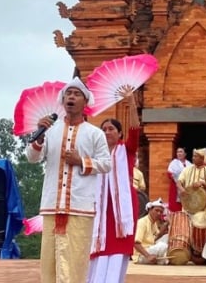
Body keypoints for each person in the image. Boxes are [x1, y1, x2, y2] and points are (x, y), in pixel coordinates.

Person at [25, 77, 111, 283]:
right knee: (49, 263)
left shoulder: (95, 134)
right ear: (62, 100)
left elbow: (106, 164)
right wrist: (38, 138)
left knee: (75, 261)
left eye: (76, 94)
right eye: (68, 94)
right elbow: (32, 157)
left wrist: (80, 161)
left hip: (80, 207)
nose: (71, 97)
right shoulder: (49, 130)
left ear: (85, 101)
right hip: (52, 205)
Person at [88, 87, 141, 283]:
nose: (107, 132)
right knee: (99, 247)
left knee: (118, 251)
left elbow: (135, 129)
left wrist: (131, 102)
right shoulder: (94, 155)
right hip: (100, 208)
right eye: (104, 129)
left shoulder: (126, 150)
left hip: (123, 209)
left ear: (120, 134)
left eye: (111, 129)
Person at [133, 198, 170, 265]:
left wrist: (167, 223)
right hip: (141, 255)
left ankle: (162, 259)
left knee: (167, 237)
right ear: (150, 210)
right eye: (156, 210)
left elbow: (157, 236)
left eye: (161, 212)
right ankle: (162, 259)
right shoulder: (142, 222)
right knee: (163, 246)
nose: (159, 213)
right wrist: (148, 256)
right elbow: (135, 243)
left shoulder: (154, 223)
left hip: (150, 249)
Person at [166, 147, 191, 212]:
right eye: (178, 152)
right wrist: (177, 180)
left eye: (181, 152)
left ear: (185, 154)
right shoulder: (173, 163)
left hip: (186, 186)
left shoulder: (189, 164)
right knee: (175, 206)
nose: (179, 153)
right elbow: (169, 174)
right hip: (175, 186)